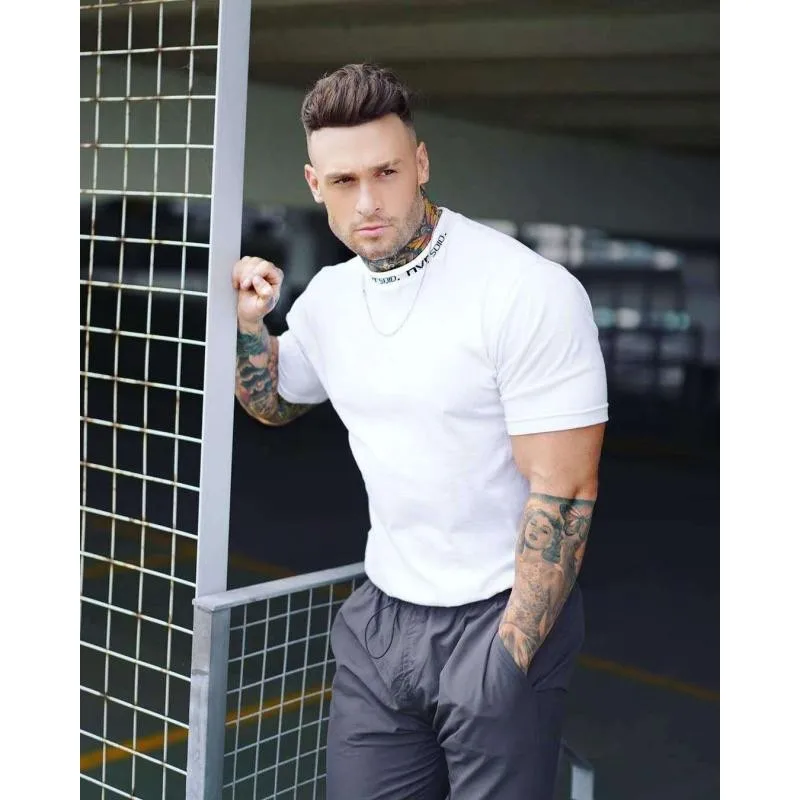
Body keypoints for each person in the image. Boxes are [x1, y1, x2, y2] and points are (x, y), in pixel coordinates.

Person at [232, 63, 607, 800]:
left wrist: (508, 660)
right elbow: (272, 400)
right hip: (381, 619)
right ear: (314, 185)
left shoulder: (525, 290)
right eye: (344, 181)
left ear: (422, 163)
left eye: (387, 172)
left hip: (500, 614)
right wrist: (250, 324)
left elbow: (565, 488)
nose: (369, 202)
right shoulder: (330, 299)